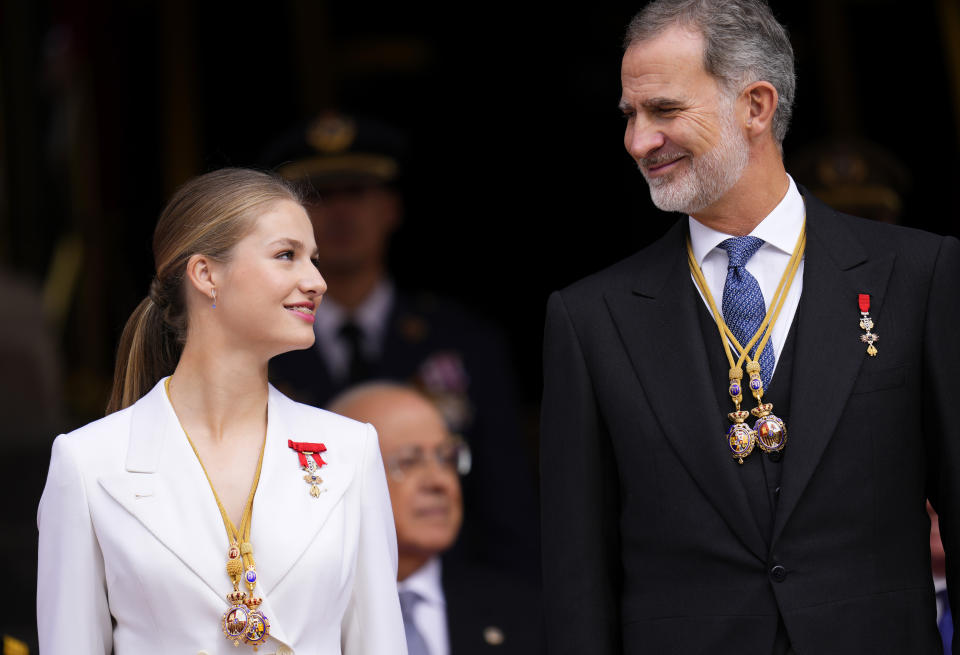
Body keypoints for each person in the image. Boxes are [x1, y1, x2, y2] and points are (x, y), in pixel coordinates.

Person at [540, 1, 960, 654]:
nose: (637, 141)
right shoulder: (591, 317)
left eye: (664, 110)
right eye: (630, 116)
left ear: (756, 106)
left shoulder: (919, 274)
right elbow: (577, 578)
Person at [36, 168, 406, 654]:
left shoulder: (350, 449)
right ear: (206, 274)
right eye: (286, 256)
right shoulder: (87, 462)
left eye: (312, 260)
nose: (317, 280)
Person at [263, 113, 538, 576]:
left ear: (391, 208)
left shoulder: (464, 341)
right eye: (320, 197)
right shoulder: (258, 349)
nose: (341, 212)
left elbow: (506, 500)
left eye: (359, 193)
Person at [329, 383, 544, 655]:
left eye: (447, 458)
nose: (439, 481)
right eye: (408, 461)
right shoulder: (299, 615)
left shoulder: (526, 615)